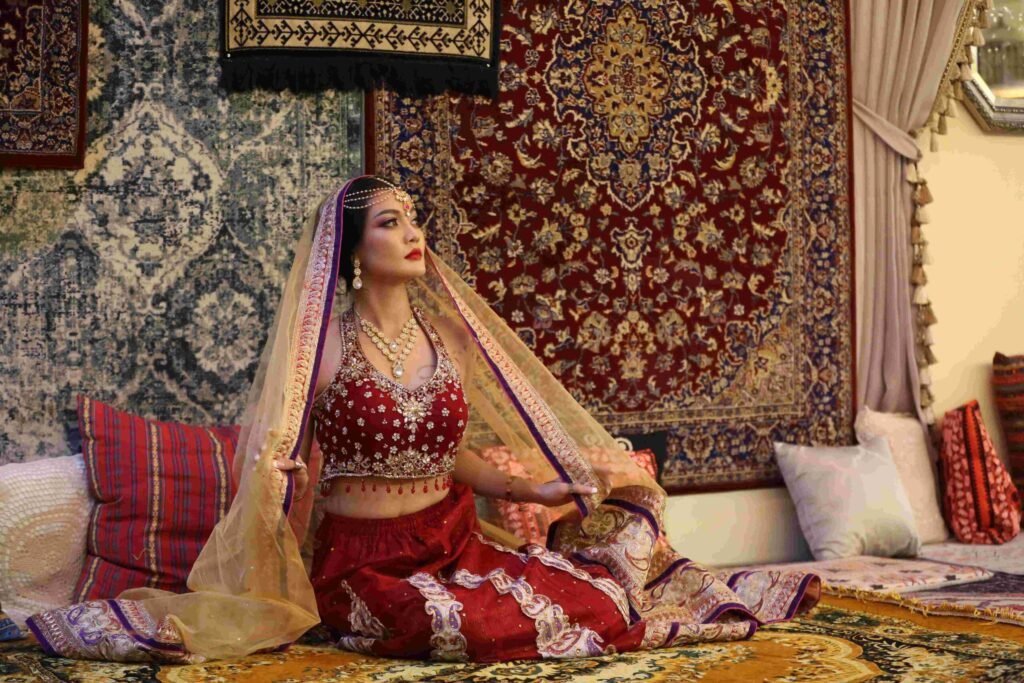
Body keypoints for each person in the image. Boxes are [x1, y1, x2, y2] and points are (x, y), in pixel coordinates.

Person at [27, 176, 820, 664]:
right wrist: (276, 481)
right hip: (365, 561)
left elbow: (452, 457)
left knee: (591, 598)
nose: (412, 235)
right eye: (389, 223)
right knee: (446, 624)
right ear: (350, 249)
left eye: (413, 219)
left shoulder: (449, 341)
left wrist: (537, 490)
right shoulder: (323, 347)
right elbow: (281, 455)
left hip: (454, 540)